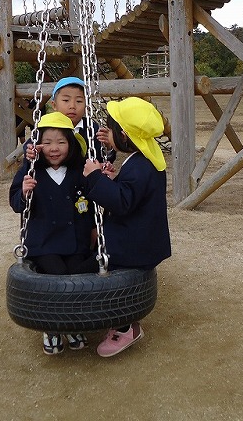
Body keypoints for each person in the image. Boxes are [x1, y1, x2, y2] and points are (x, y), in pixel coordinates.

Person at [83, 97, 171, 358]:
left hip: (134, 243)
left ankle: (125, 328)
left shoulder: (139, 166)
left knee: (119, 285)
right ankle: (123, 323)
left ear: (123, 134)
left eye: (109, 130)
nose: (106, 135)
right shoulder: (146, 159)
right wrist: (113, 178)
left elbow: (122, 202)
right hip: (144, 236)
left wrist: (95, 176)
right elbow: (133, 193)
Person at [9, 111, 96, 355]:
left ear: (71, 144)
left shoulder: (80, 170)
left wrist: (93, 229)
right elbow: (16, 203)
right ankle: (53, 327)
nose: (54, 148)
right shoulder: (31, 170)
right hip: (44, 243)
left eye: (61, 142)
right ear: (36, 145)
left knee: (79, 276)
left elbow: (93, 201)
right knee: (58, 278)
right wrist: (24, 192)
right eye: (47, 142)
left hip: (76, 241)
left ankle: (69, 324)